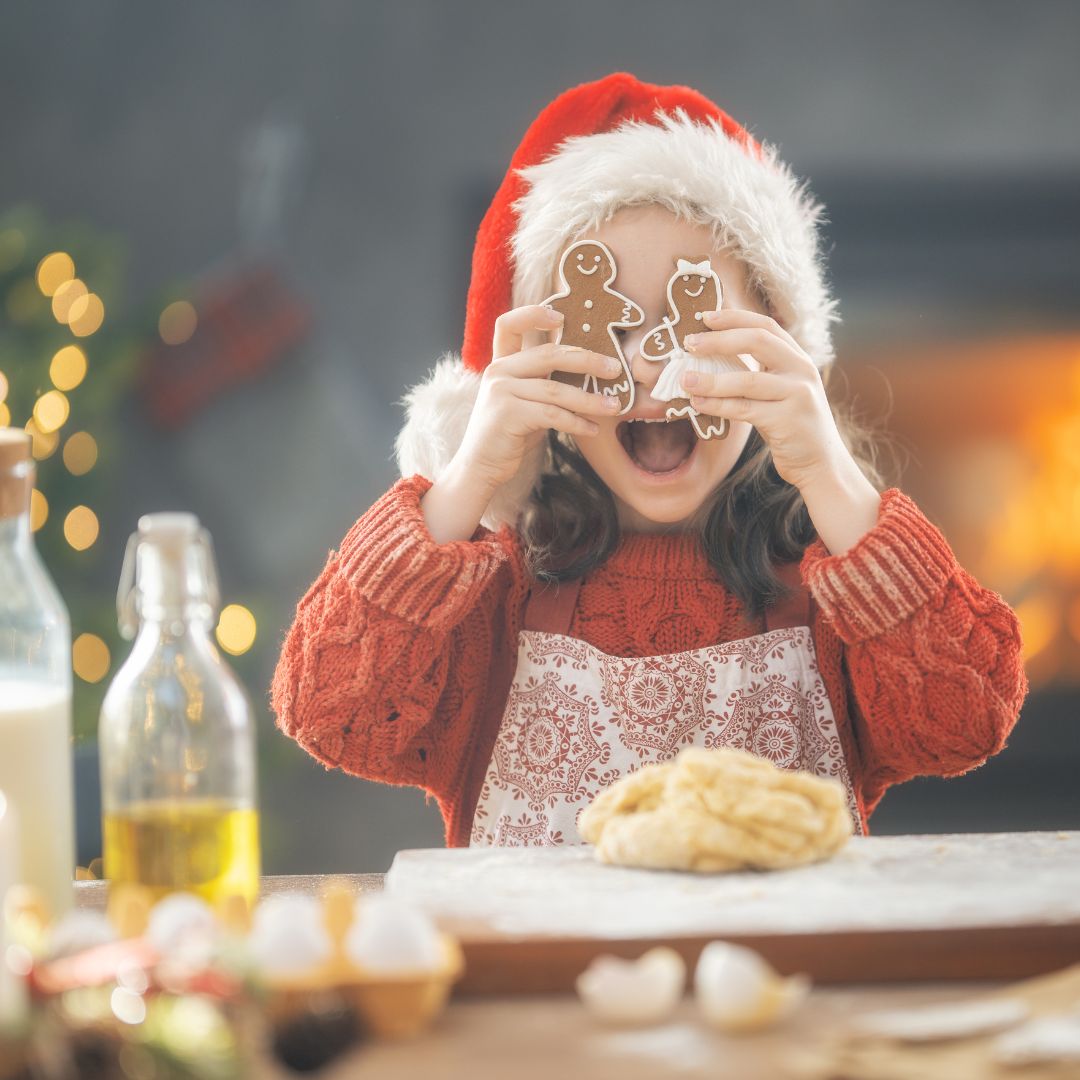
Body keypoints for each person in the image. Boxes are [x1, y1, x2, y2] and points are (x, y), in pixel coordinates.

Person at [270, 73, 1027, 848]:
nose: (649, 369)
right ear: (543, 360)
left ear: (775, 345)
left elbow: (970, 719)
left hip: (783, 970)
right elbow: (331, 715)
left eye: (689, 317)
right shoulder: (491, 597)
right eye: (609, 325)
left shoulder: (834, 592)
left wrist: (832, 474)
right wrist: (466, 477)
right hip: (543, 971)